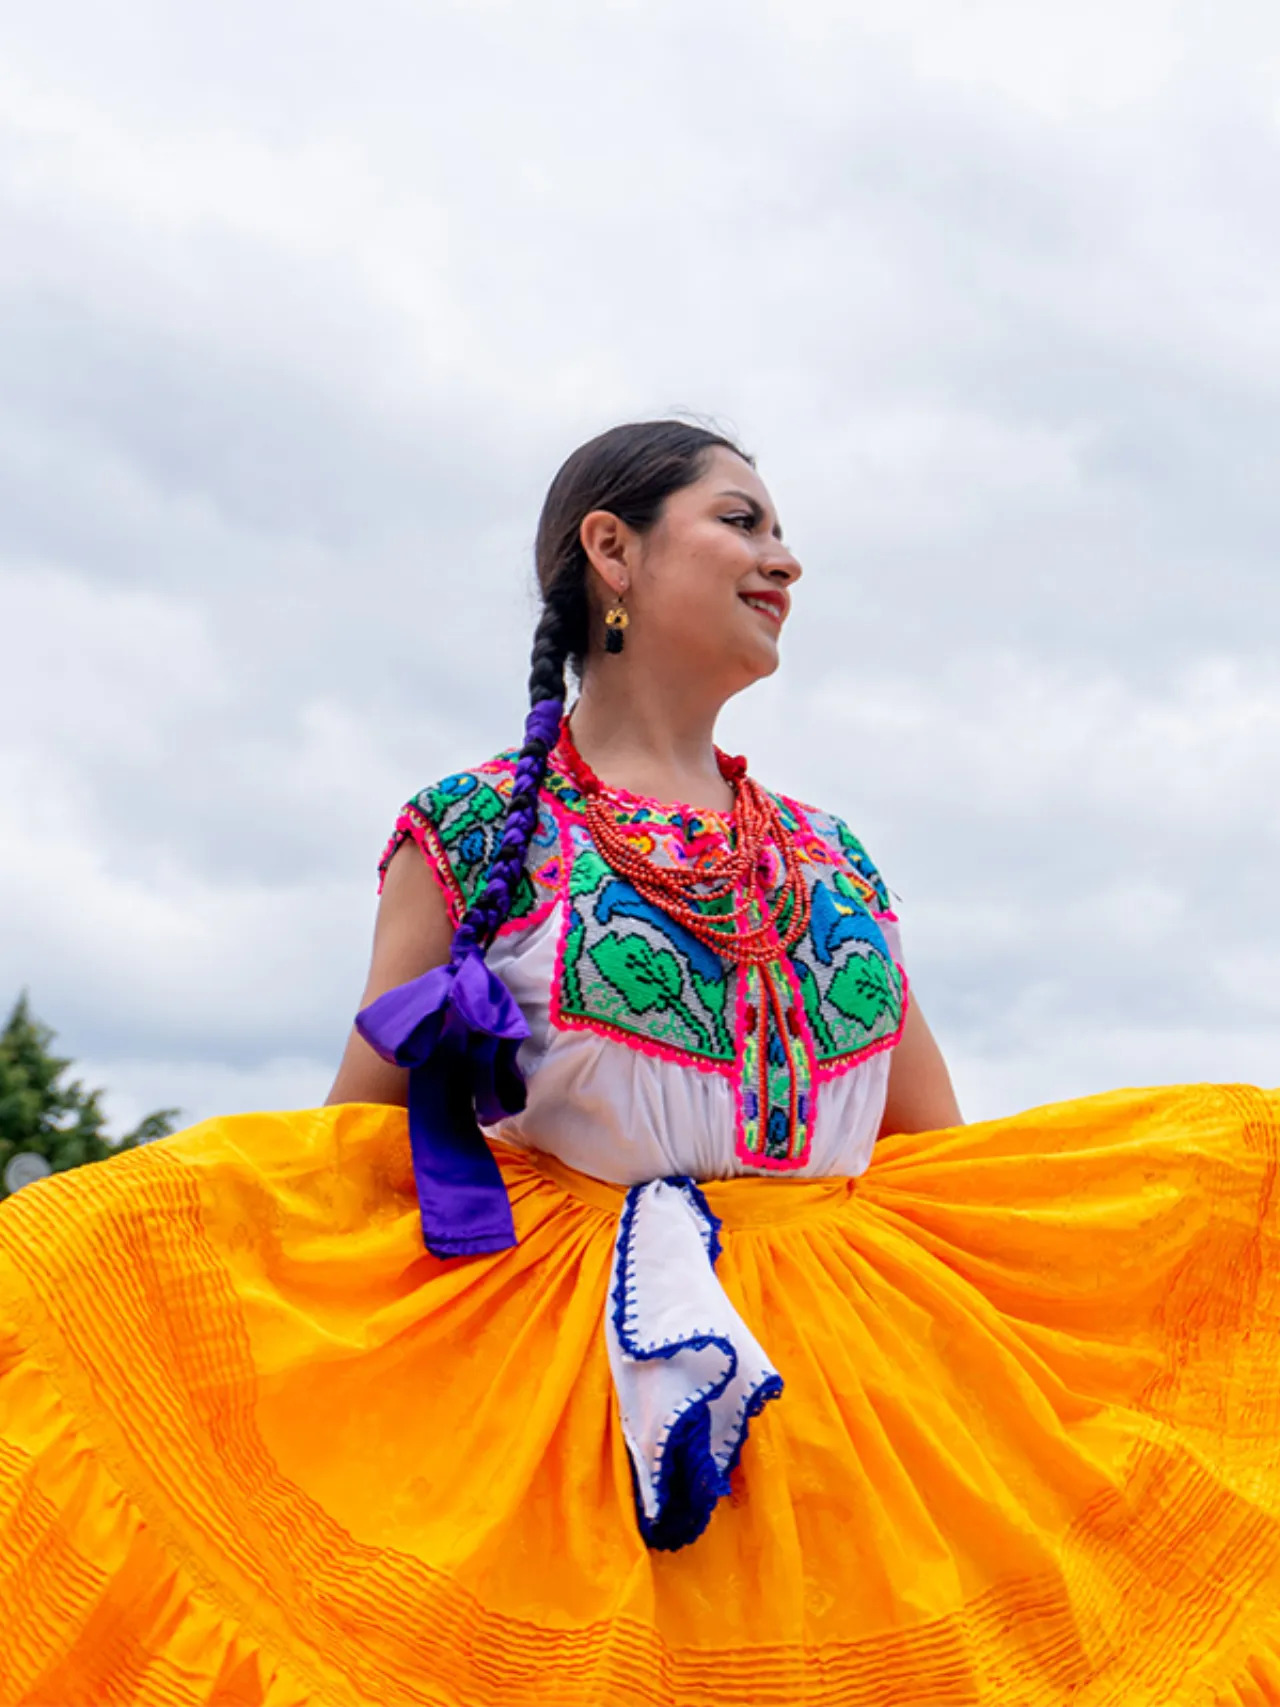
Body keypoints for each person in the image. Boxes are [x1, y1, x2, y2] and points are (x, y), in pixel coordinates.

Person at [1, 420, 1277, 1707]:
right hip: (566, 1427)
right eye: (742, 522)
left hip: (861, 1424)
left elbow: (938, 1162)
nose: (783, 560)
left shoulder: (830, 860)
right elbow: (352, 1158)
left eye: (779, 531)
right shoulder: (474, 829)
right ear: (610, 549)